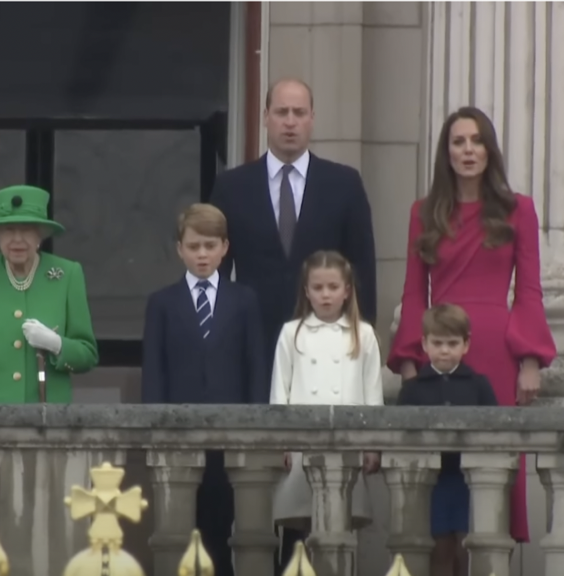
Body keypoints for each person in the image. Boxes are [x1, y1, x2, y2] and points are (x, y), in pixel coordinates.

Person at [210, 77, 377, 569]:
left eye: (298, 112)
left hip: (329, 357)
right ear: (264, 117)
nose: (289, 121)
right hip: (255, 349)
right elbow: (216, 275)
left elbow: (362, 270)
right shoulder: (232, 186)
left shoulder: (343, 184)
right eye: (280, 112)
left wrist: (356, 338)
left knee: (321, 492)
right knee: (259, 482)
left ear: (312, 118)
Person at [388, 106, 557, 544]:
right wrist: (409, 359)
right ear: (447, 153)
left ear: (489, 151)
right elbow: (412, 292)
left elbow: (530, 291)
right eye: (459, 142)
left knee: (491, 478)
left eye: (477, 141)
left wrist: (531, 359)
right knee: (438, 489)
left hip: (496, 356)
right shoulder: (422, 213)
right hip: (438, 353)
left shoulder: (518, 209)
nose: (468, 150)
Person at [0, 184, 99, 541]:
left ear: (41, 235)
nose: (18, 238)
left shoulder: (66, 275)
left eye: (27, 230)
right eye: (9, 230)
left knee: (44, 535)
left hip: (47, 432)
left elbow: (88, 353)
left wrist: (58, 344)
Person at [141, 203, 265, 576]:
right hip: (178, 436)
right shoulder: (161, 303)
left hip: (230, 438)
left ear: (225, 247)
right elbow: (154, 371)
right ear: (179, 248)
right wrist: (155, 431)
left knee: (223, 530)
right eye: (194, 246)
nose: (202, 254)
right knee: (176, 532)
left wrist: (256, 431)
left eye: (210, 246)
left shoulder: (244, 300)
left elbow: (255, 367)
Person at [269, 250, 382, 555]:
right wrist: (282, 442)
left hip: (347, 444)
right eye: (318, 288)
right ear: (307, 291)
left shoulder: (364, 334)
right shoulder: (292, 333)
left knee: (341, 530)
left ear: (347, 290)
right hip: (301, 445)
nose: (326, 295)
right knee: (297, 533)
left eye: (333, 287)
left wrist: (372, 444)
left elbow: (372, 393)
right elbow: (280, 391)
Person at [397, 304, 498, 576]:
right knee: (438, 548)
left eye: (452, 343)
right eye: (437, 343)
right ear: (424, 344)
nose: (444, 350)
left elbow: (496, 432)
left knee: (468, 547)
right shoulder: (412, 390)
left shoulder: (479, 385)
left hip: (470, 482)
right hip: (432, 483)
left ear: (466, 345)